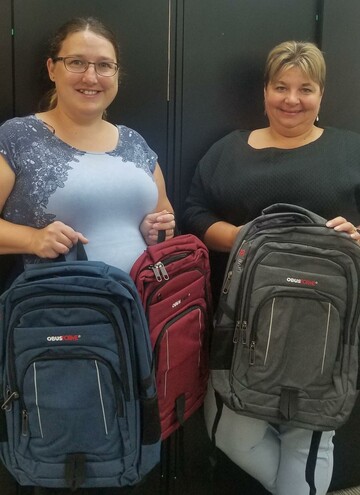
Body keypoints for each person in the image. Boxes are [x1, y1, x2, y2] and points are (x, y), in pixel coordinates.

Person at [182, 40, 360, 495]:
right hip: (244, 319)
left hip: (324, 326)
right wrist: (243, 237)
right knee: (228, 430)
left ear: (322, 95)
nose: (292, 99)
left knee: (309, 438)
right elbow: (195, 212)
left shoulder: (350, 150)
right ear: (265, 91)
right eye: (281, 86)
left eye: (306, 88)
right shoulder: (228, 151)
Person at [0, 17, 175, 273]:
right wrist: (32, 239)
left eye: (104, 65)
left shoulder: (134, 142)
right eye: (77, 62)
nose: (91, 77)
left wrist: (157, 230)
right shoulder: (18, 137)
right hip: (58, 307)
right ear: (52, 69)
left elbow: (165, 214)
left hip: (141, 307)